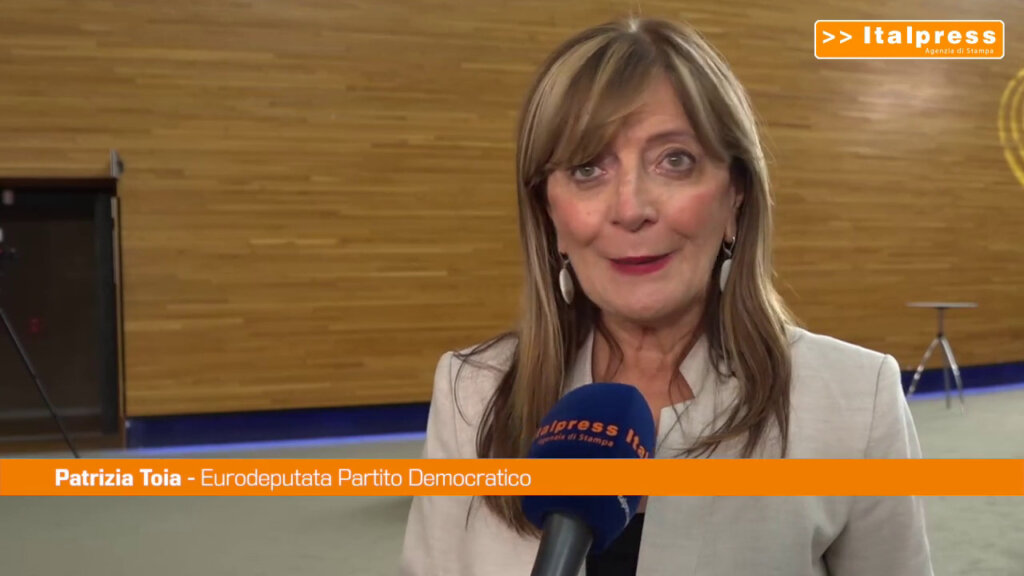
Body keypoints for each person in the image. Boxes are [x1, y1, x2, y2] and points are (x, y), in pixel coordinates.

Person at [400, 17, 933, 576]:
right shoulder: (473, 391)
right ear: (549, 214)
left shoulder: (854, 398)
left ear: (735, 195)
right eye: (587, 168)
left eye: (675, 160)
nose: (631, 209)